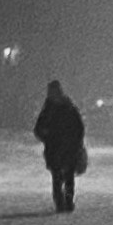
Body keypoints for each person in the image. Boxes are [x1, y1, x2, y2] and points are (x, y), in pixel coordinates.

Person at [34, 82, 88, 211]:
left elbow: (79, 127)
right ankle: (63, 203)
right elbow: (38, 129)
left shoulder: (52, 109)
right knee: (60, 176)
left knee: (63, 176)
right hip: (61, 148)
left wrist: (48, 137)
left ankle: (65, 202)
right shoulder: (64, 108)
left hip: (62, 148)